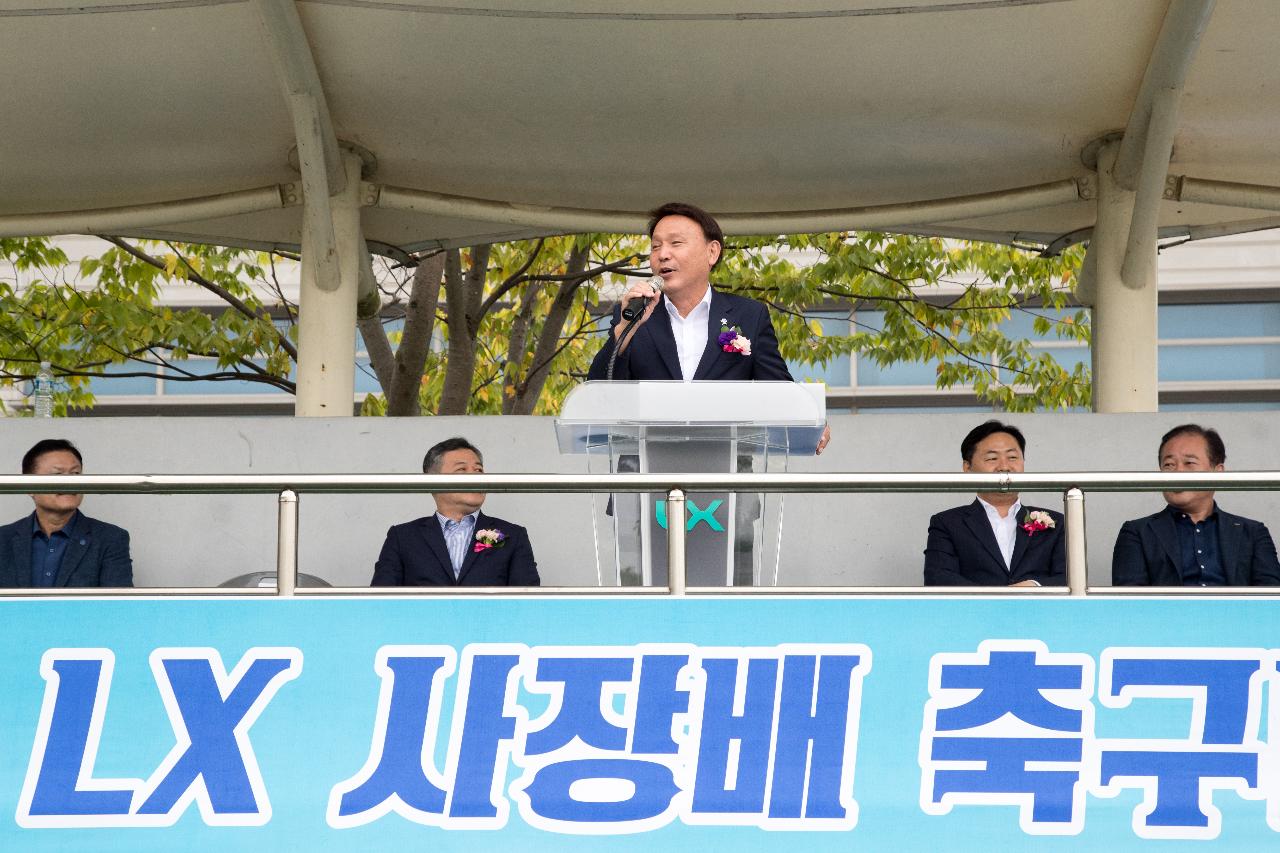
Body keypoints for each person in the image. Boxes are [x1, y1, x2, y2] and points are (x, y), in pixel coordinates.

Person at [587, 201, 830, 454]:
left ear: (712, 252)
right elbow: (598, 395)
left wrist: (809, 419)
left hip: (725, 479)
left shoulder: (748, 316)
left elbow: (778, 388)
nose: (662, 254)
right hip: (644, 480)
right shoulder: (635, 315)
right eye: (655, 246)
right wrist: (625, 329)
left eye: (676, 243)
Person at [1112, 424, 1280, 586]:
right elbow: (1130, 604)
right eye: (1169, 465)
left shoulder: (1252, 533)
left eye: (1189, 463)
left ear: (1218, 472)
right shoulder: (1137, 533)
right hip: (1167, 615)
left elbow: (1271, 601)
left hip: (1236, 615)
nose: (1177, 473)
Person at [372, 437, 540, 587]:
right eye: (461, 470)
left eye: (478, 470)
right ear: (432, 482)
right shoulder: (403, 537)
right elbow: (380, 603)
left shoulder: (513, 535)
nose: (475, 477)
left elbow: (528, 604)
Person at [923, 421, 1065, 586]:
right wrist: (997, 599)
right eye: (992, 458)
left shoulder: (1056, 523)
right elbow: (938, 578)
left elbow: (1071, 578)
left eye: (1012, 457)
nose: (1004, 466)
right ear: (968, 468)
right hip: (975, 611)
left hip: (1039, 610)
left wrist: (1034, 585)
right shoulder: (948, 523)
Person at [0, 439, 133, 588]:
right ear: (28, 485)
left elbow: (117, 607)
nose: (70, 483)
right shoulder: (3, 539)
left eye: (75, 473)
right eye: (58, 474)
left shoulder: (110, 538)